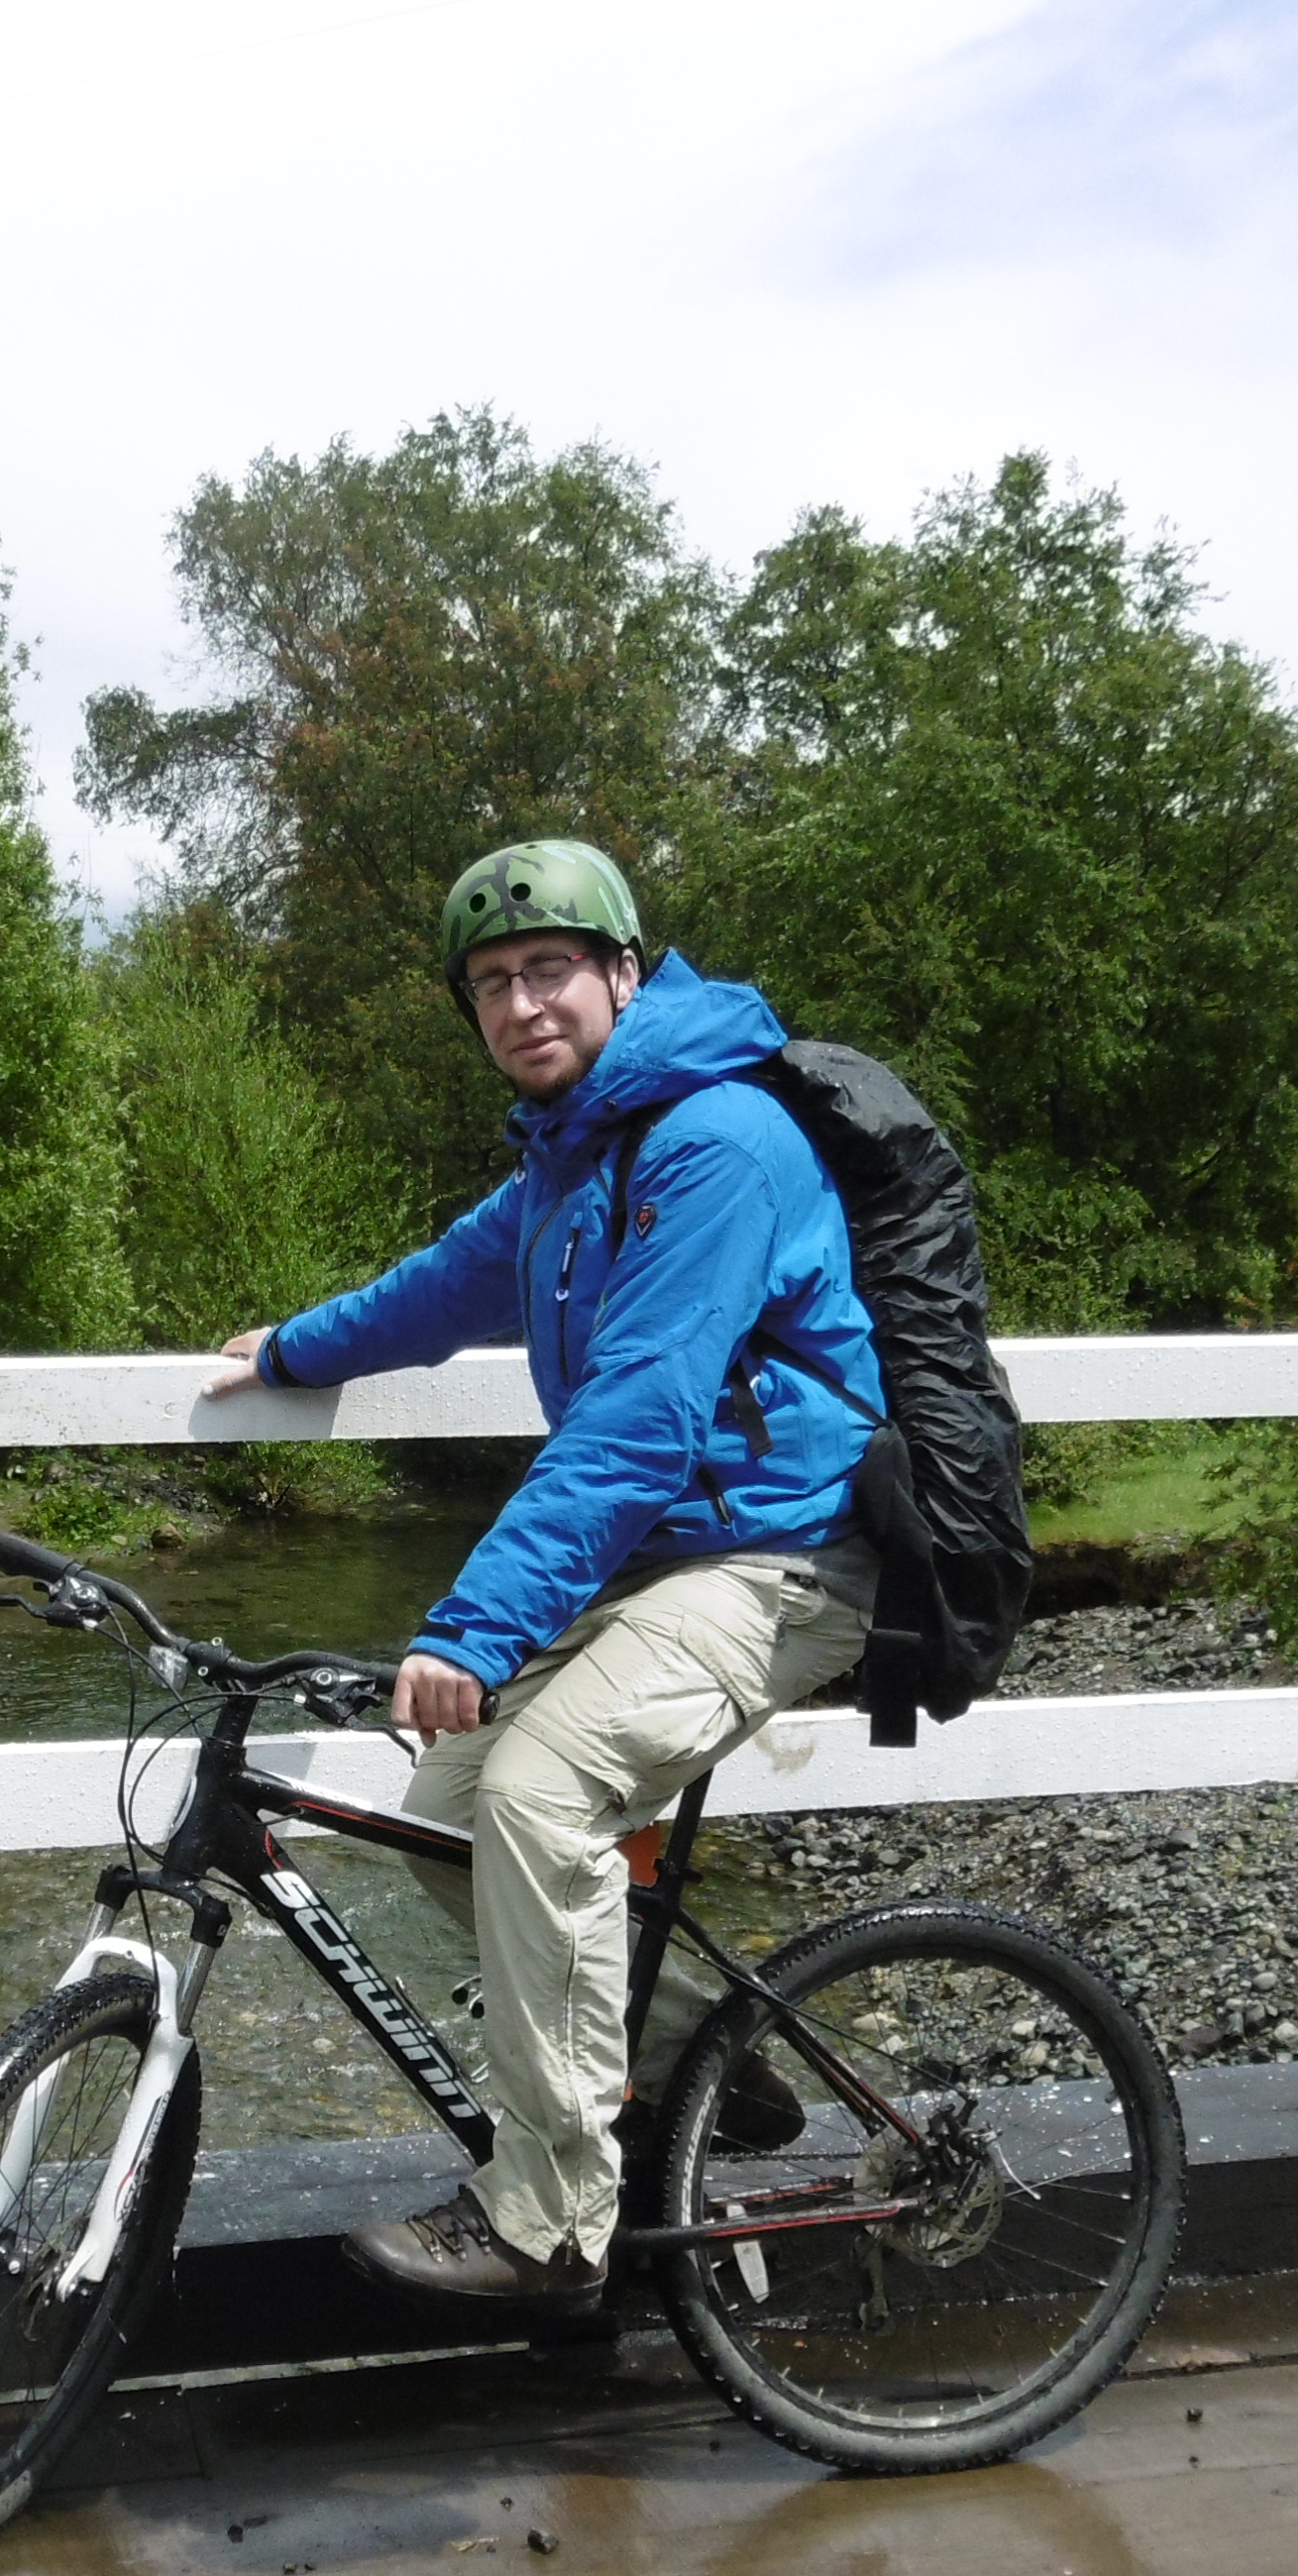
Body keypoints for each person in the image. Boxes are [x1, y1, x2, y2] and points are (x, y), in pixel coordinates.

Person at [204, 838, 880, 2308]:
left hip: (784, 1555)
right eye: (492, 984)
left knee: (533, 1789)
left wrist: (477, 1625)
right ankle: (701, 2055)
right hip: (680, 1555)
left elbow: (641, 1420)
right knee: (437, 1809)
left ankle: (549, 2219)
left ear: (626, 976)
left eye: (549, 969)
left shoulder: (712, 1144)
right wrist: (293, 1349)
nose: (520, 1005)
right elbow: (442, 1288)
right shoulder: (576, 1155)